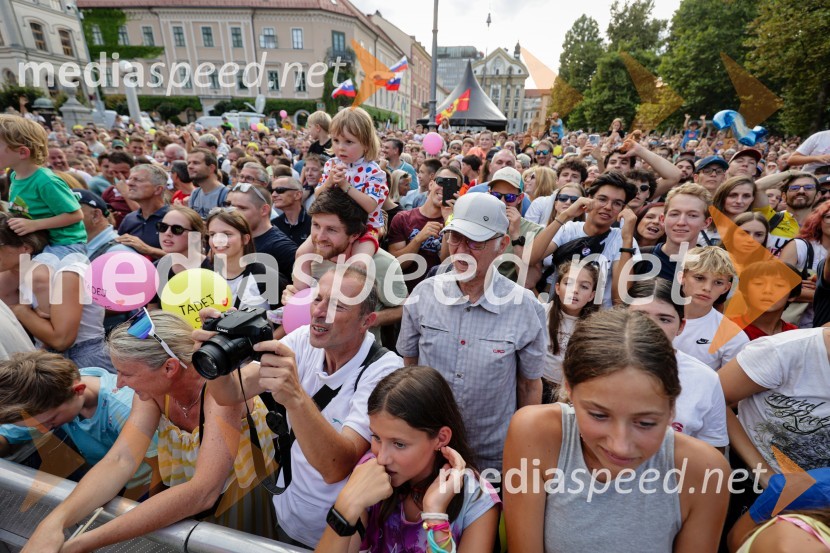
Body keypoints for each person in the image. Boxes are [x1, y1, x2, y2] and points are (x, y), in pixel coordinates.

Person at [22, 310, 278, 552]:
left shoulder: (220, 391)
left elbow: (203, 492)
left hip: (239, 508)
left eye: (126, 373)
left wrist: (81, 543)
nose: (118, 383)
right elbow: (120, 460)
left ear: (169, 368)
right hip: (189, 509)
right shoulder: (152, 394)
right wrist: (53, 523)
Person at [204, 266, 403, 547]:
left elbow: (336, 467)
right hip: (287, 513)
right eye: (318, 298)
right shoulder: (302, 340)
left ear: (366, 321)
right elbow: (231, 392)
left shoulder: (384, 371)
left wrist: (295, 395)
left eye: (338, 306)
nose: (319, 311)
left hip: (340, 533)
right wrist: (216, 354)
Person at [503, 308, 730, 553]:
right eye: (599, 415)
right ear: (569, 388)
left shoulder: (703, 471)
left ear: (672, 407)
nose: (620, 445)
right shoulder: (536, 434)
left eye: (645, 423)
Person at [398, 192, 546, 472]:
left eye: (475, 241)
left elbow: (529, 385)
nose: (461, 249)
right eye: (454, 237)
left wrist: (525, 451)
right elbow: (409, 367)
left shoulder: (525, 307)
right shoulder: (424, 295)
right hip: (428, 453)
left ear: (502, 244)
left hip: (492, 457)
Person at [315, 366, 500, 552]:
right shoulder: (370, 474)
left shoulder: (477, 499)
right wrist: (346, 505)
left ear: (441, 438)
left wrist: (435, 515)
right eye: (377, 437)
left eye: (399, 444)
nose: (382, 458)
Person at [0, 350, 157, 492]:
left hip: (145, 488)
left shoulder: (125, 410)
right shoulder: (55, 392)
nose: (43, 430)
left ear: (78, 390)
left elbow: (160, 472)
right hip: (111, 481)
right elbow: (7, 436)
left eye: (51, 421)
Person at [0, 213, 115, 372]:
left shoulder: (67, 271)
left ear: (25, 248)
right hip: (43, 361)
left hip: (84, 362)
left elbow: (61, 340)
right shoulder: (15, 273)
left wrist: (20, 311)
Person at [626, 280, 729, 448]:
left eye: (664, 319)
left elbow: (713, 448)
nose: (651, 326)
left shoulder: (705, 379)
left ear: (681, 326)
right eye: (639, 316)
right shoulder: (594, 363)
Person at [293, 107, 388, 290]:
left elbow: (370, 206)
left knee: (358, 266)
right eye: (336, 140)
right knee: (302, 253)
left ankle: (347, 305)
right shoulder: (331, 164)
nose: (340, 147)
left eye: (349, 141)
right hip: (333, 226)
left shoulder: (374, 171)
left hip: (365, 228)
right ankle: (300, 299)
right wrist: (329, 182)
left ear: (366, 144)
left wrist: (346, 186)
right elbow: (319, 197)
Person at [529, 171, 639, 307]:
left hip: (598, 322)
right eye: (602, 199)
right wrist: (565, 215)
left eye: (617, 203)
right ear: (589, 198)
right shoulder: (568, 229)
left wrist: (627, 238)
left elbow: (620, 300)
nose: (608, 207)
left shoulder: (623, 239)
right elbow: (529, 258)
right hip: (557, 315)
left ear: (623, 209)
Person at [673, 246, 749, 370]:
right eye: (699, 278)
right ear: (682, 277)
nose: (707, 288)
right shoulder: (651, 315)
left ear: (726, 288)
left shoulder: (733, 335)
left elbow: (726, 386)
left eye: (718, 282)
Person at [387, 166, 455, 291]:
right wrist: (418, 239)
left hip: (436, 294)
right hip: (404, 294)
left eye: (452, 186)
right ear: (431, 184)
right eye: (441, 182)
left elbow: (445, 265)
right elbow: (396, 265)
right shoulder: (403, 218)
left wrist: (449, 221)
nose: (444, 188)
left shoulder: (457, 224)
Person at [542, 261, 598, 403]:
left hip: (567, 394)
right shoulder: (541, 312)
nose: (575, 290)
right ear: (557, 288)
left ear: (591, 295)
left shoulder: (594, 326)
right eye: (568, 283)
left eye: (584, 286)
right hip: (537, 384)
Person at [207, 208, 276, 311]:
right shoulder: (205, 275)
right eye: (212, 234)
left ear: (245, 239)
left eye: (227, 234)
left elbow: (286, 322)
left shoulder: (265, 276)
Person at [226, 181, 297, 281]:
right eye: (229, 205)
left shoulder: (281, 247)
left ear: (264, 210)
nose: (232, 212)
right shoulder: (233, 239)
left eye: (242, 208)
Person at [730, 260, 801, 340]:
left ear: (792, 295)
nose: (767, 290)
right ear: (745, 291)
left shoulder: (794, 335)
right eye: (758, 283)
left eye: (779, 285)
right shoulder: (729, 328)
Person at [187, 148, 229, 219]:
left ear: (211, 168)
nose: (190, 166)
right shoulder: (195, 193)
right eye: (189, 163)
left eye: (196, 163)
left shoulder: (226, 195)